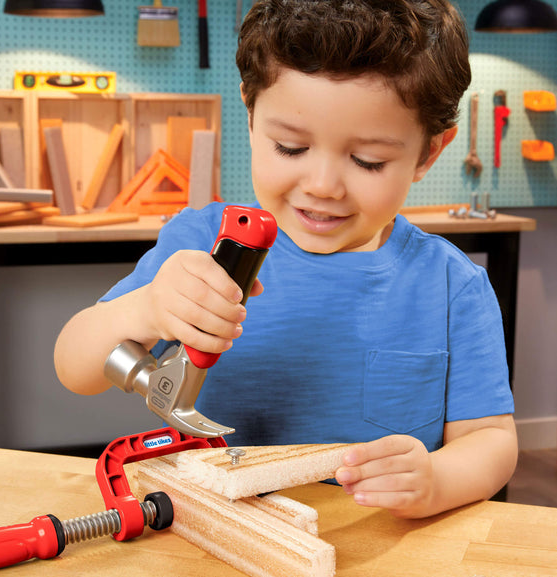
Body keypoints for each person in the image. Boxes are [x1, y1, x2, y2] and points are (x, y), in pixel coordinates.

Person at [55, 0, 517, 519]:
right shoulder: (205, 244)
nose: (321, 186)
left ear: (428, 153)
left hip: (383, 546)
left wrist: (438, 480)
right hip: (221, 532)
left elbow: (492, 442)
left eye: (368, 160)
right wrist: (143, 310)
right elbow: (75, 366)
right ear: (250, 117)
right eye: (291, 148)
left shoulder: (453, 285)